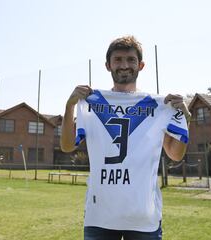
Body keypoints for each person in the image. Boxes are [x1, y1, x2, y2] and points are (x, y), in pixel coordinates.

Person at [60, 35, 190, 240]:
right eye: (118, 59)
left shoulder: (156, 105)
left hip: (143, 217)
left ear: (141, 65)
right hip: (99, 216)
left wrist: (185, 120)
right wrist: (69, 107)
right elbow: (67, 146)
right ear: (108, 65)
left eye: (130, 59)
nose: (124, 65)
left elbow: (174, 154)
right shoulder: (92, 103)